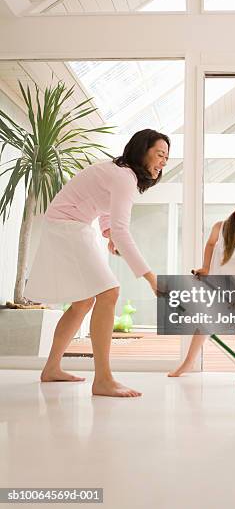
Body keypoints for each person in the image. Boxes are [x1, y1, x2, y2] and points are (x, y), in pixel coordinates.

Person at [24, 129, 169, 398]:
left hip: (71, 224)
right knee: (109, 292)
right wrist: (151, 277)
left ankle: (52, 368)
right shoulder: (124, 177)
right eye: (160, 154)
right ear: (142, 150)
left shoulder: (120, 173)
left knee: (84, 301)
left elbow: (103, 206)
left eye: (166, 158)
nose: (163, 162)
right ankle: (103, 379)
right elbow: (122, 227)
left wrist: (109, 233)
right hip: (67, 225)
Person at [168, 195, 235, 386]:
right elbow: (210, 245)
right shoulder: (219, 227)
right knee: (203, 324)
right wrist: (205, 268)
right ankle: (188, 363)